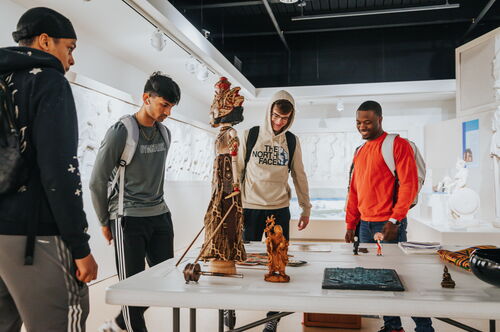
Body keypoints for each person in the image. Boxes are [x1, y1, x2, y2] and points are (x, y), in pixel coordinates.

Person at [0, 7, 98, 332]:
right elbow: (59, 171)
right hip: (34, 235)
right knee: (64, 320)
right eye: (69, 48)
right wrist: (80, 247)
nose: (71, 60)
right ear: (45, 41)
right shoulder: (49, 82)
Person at [89, 72, 180, 332]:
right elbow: (97, 180)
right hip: (128, 218)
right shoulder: (122, 132)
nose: (167, 113)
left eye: (171, 107)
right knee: (132, 290)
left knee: (163, 283)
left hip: (160, 216)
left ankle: (117, 324)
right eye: (164, 105)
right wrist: (104, 221)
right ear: (146, 98)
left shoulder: (165, 133)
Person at [344, 100, 433, 332]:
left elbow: (409, 185)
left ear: (380, 120)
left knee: (400, 277)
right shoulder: (360, 151)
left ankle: (424, 327)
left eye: (368, 122)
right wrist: (350, 224)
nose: (362, 127)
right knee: (375, 278)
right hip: (365, 225)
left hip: (388, 225)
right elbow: (354, 190)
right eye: (359, 123)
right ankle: (393, 326)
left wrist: (395, 220)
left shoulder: (397, 144)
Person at [238, 90, 312, 332]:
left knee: (278, 266)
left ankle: (272, 317)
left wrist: (305, 207)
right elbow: (238, 172)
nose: (279, 122)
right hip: (250, 208)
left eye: (285, 119)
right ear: (269, 111)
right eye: (276, 116)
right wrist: (234, 207)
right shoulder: (250, 135)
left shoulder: (291, 141)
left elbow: (299, 175)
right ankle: (231, 306)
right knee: (243, 262)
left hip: (279, 209)